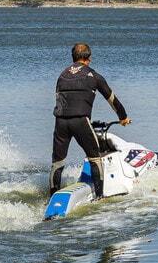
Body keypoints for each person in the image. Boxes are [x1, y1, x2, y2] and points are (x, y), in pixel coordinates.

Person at [50, 43, 131, 199]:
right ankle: (99, 197)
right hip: (80, 122)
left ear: (72, 58)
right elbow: (112, 100)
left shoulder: (62, 75)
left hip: (60, 123)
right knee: (95, 158)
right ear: (89, 58)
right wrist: (123, 118)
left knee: (57, 163)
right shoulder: (93, 76)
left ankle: (53, 196)